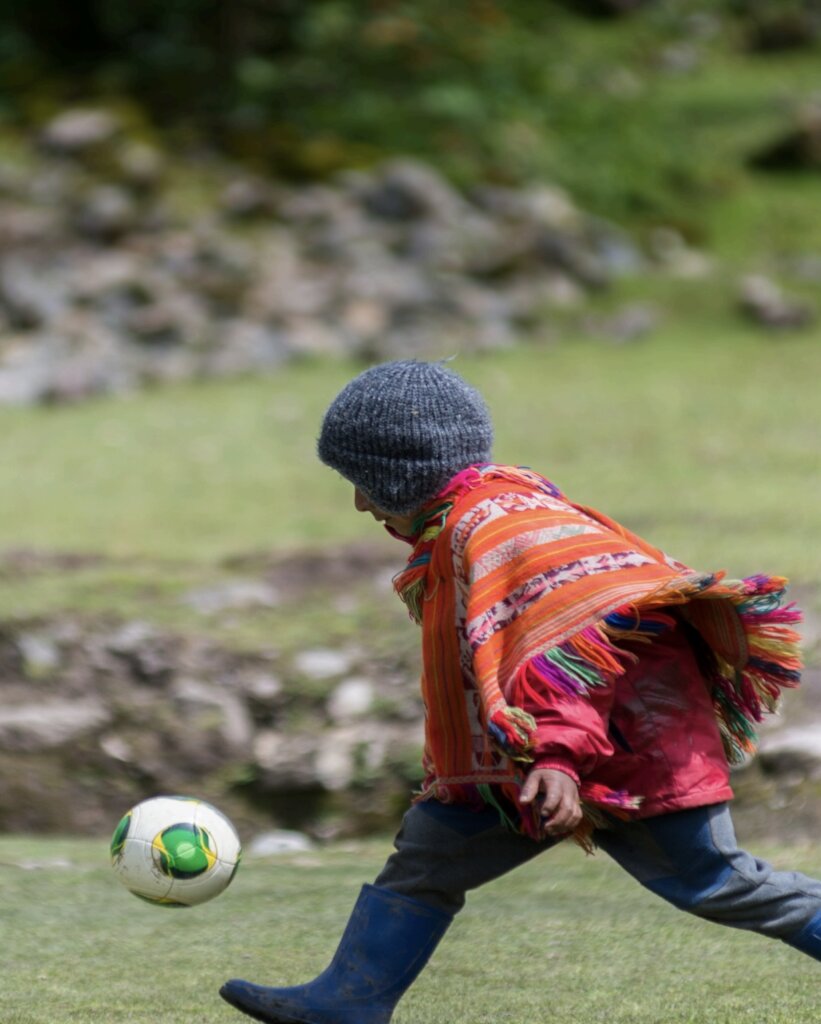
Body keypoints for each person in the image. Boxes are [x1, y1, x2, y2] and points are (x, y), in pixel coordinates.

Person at [220, 359, 821, 1024]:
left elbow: (575, 651)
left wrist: (558, 759)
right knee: (427, 860)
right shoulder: (481, 518)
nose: (360, 503)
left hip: (627, 752)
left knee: (717, 883)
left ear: (401, 473)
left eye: (361, 482)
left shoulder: (501, 530)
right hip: (515, 762)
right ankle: (348, 1002)